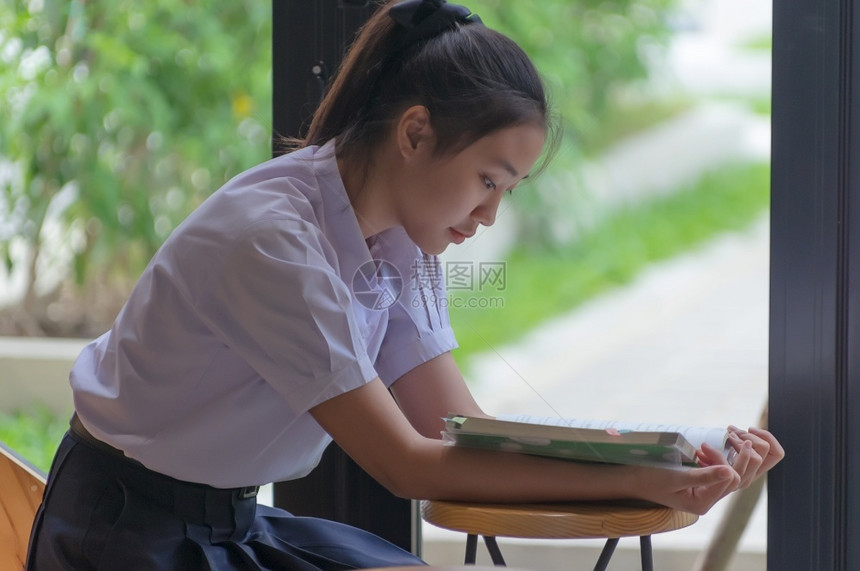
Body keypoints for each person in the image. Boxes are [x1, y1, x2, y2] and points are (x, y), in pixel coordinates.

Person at [26, 0, 785, 569]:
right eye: (486, 180)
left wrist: (676, 452)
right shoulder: (273, 241)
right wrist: (644, 484)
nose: (487, 214)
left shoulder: (401, 244)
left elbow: (457, 426)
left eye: (507, 191)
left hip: (228, 522)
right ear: (415, 133)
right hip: (122, 531)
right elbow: (407, 463)